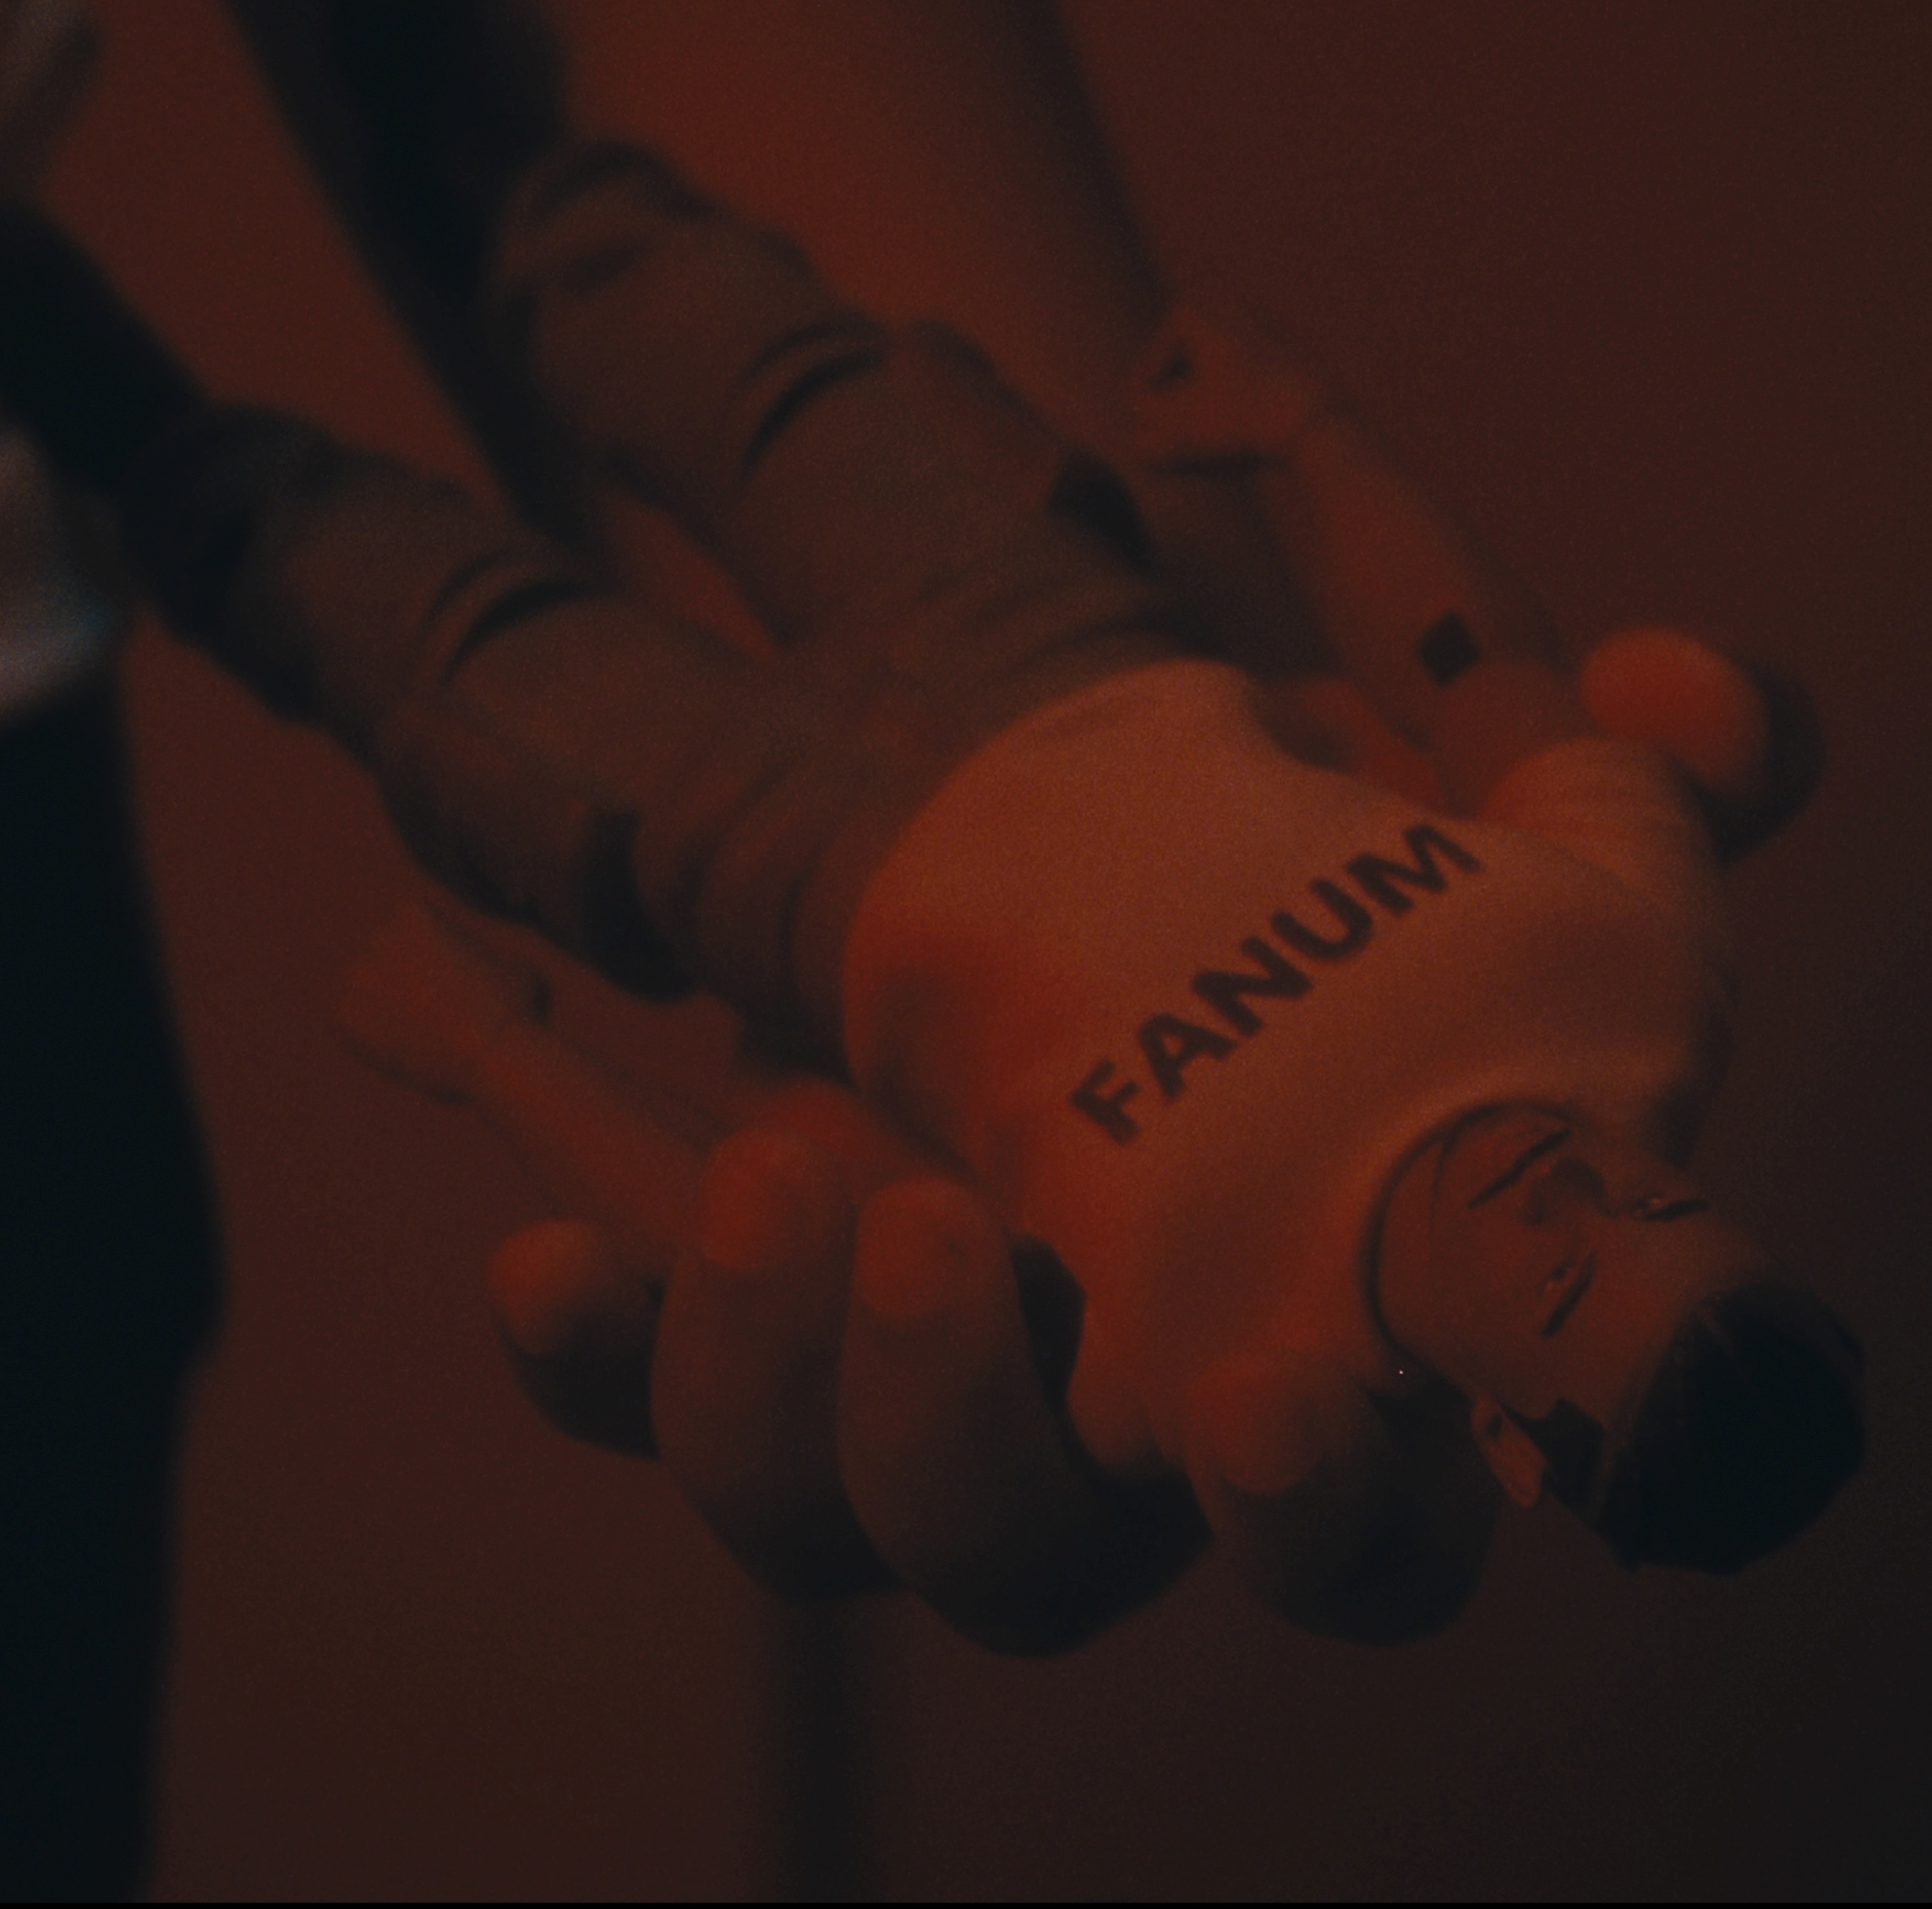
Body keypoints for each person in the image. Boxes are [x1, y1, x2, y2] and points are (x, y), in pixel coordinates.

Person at [0, 101, 1857, 1649]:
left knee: (414, 635)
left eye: (1558, 1285)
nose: (1561, 1191)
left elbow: (793, 1228)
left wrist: (506, 1053)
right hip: (1058, 632)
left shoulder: (1207, 1353)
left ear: (1510, 1443)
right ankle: (487, 163)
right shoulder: (1630, 971)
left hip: (794, 868)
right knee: (755, 358)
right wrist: (1313, 435)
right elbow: (1487, 680)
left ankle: (117, 416)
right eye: (1648, 1199)